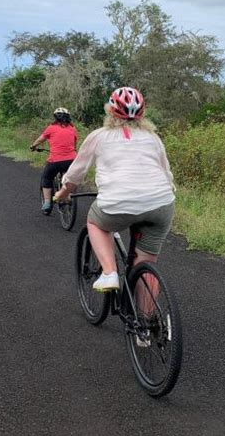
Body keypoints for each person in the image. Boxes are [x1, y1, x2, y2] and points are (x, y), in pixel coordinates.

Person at [54, 87, 175, 291]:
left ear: (110, 110)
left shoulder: (99, 136)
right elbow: (166, 172)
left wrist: (63, 193)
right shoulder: (153, 138)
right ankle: (149, 320)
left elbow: (75, 174)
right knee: (146, 265)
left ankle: (109, 273)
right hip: (161, 204)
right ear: (142, 113)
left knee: (95, 221)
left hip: (118, 203)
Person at [30, 107, 78, 215]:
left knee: (46, 177)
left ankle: (47, 203)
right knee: (67, 177)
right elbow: (74, 146)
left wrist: (33, 146)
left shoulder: (51, 128)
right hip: (71, 160)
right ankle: (67, 195)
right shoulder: (73, 129)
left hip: (55, 160)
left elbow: (40, 139)